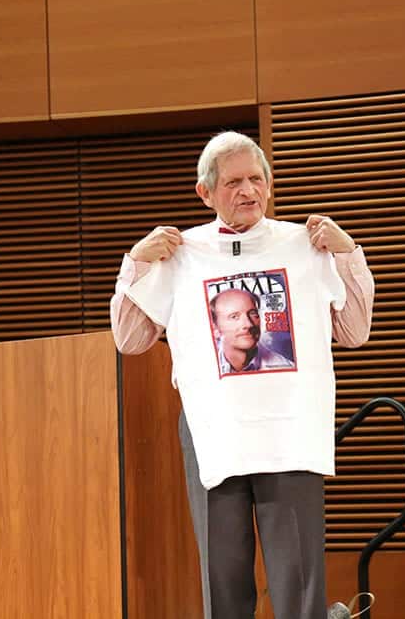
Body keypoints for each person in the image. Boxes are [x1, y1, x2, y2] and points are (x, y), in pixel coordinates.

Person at [110, 131, 374, 619]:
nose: (248, 191)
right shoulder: (181, 254)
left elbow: (355, 331)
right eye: (233, 182)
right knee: (224, 587)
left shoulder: (306, 244)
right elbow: (130, 341)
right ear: (205, 193)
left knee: (299, 589)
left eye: (257, 179)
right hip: (214, 436)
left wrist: (347, 253)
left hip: (290, 435)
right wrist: (136, 263)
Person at [209, 288, 294, 374]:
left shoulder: (284, 368)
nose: (249, 324)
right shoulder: (203, 368)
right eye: (234, 317)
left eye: (253, 314)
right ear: (215, 329)